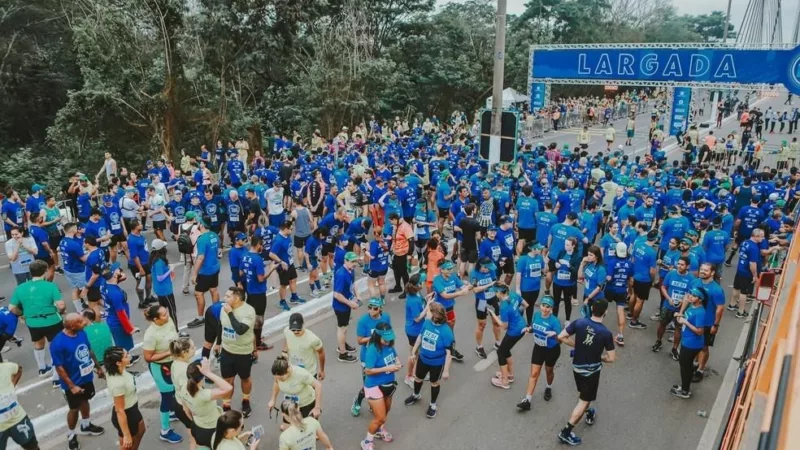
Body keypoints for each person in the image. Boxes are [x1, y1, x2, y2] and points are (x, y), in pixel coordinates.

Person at [556, 300, 616, 446]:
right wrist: (599, 357)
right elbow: (611, 358)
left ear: (592, 309)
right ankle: (566, 431)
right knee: (583, 400)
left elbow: (561, 336)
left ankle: (589, 412)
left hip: (577, 367)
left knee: (585, 394)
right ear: (605, 312)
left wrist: (577, 345)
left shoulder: (579, 323)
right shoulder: (606, 333)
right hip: (592, 371)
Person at [50, 313, 106, 450]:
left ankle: (86, 425)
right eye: (80, 322)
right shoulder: (57, 343)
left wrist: (98, 367)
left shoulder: (82, 333)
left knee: (85, 400)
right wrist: (72, 386)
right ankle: (71, 434)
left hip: (86, 378)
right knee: (74, 409)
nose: (84, 323)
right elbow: (59, 367)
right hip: (72, 383)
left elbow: (89, 350)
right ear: (71, 326)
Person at [9, 260, 65, 381]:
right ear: (45, 271)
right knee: (55, 346)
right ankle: (56, 377)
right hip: (52, 320)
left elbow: (12, 307)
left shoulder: (21, 288)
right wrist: (60, 311)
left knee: (38, 343)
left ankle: (42, 368)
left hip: (33, 322)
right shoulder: (50, 286)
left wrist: (22, 314)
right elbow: (60, 305)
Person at [142, 305, 183, 443]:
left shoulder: (168, 320)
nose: (168, 315)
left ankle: (171, 413)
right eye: (164, 315)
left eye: (167, 313)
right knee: (166, 395)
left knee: (175, 390)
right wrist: (168, 352)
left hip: (173, 363)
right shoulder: (150, 335)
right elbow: (148, 357)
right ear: (155, 319)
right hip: (160, 367)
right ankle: (164, 431)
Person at [404, 301, 452, 418]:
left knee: (434, 383)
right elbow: (420, 336)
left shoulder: (446, 331)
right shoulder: (426, 323)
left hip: (436, 362)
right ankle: (416, 395)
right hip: (423, 358)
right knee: (418, 378)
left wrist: (446, 370)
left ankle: (433, 405)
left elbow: (449, 352)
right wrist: (414, 352)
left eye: (428, 311)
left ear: (435, 314)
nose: (426, 313)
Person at [359, 322, 401, 450]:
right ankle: (367, 441)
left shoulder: (389, 345)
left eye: (390, 339)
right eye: (385, 339)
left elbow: (395, 356)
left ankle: (379, 430)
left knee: (386, 411)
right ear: (378, 336)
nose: (388, 341)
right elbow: (368, 370)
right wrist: (388, 368)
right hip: (373, 386)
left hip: (388, 384)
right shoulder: (372, 349)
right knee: (380, 417)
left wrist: (398, 363)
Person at [517, 295, 562, 411]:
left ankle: (548, 387)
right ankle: (527, 400)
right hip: (538, 348)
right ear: (540, 305)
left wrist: (555, 334)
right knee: (534, 373)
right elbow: (533, 327)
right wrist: (529, 329)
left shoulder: (555, 322)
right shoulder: (536, 315)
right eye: (543, 305)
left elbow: (561, 339)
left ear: (552, 308)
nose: (545, 309)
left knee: (549, 371)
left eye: (548, 307)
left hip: (552, 350)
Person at [219, 287, 256, 417]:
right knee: (227, 380)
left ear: (237, 298)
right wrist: (218, 344)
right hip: (227, 350)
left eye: (228, 296)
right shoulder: (224, 308)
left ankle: (246, 401)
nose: (225, 298)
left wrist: (230, 313)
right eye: (225, 295)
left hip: (243, 352)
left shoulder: (249, 311)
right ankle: (226, 405)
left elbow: (240, 330)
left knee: (245, 378)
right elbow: (222, 326)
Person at [352, 297, 392, 417]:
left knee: (380, 382)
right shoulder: (363, 321)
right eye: (369, 307)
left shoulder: (386, 317)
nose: (371, 310)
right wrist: (374, 337)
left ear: (380, 309)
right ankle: (358, 401)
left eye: (375, 308)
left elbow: (388, 333)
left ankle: (374, 402)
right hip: (367, 357)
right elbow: (359, 341)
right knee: (369, 383)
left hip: (382, 355)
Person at [181, 358, 233, 449]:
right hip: (211, 430)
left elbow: (186, 410)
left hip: (197, 428)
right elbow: (228, 388)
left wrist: (195, 421)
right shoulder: (203, 395)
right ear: (202, 377)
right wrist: (208, 373)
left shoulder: (183, 388)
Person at [105, 347, 147, 450]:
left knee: (141, 430)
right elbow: (120, 410)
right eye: (126, 356)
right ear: (118, 363)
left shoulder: (117, 371)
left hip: (133, 409)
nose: (129, 356)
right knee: (127, 445)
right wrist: (126, 435)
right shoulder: (118, 384)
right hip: (126, 414)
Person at [488, 284, 529, 389]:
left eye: (495, 292)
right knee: (506, 350)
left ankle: (504, 381)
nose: (495, 294)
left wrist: (493, 314)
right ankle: (509, 375)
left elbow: (504, 326)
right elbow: (525, 305)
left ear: (499, 293)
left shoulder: (504, 306)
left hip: (514, 331)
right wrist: (516, 314)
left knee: (500, 352)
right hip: (522, 326)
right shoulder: (513, 295)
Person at [267, 355, 323, 430]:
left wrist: (317, 408)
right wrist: (273, 399)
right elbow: (276, 383)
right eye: (277, 378)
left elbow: (318, 385)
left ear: (288, 370)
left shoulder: (300, 374)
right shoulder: (278, 375)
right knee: (288, 428)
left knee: (308, 430)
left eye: (281, 378)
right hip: (291, 404)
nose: (279, 380)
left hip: (306, 403)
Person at [670, 287, 706, 399]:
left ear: (700, 299)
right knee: (685, 365)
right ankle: (685, 386)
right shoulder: (691, 306)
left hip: (692, 344)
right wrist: (680, 316)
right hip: (687, 341)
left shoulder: (700, 312)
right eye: (690, 294)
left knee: (685, 366)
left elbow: (700, 331)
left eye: (694, 295)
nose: (690, 296)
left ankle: (685, 390)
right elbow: (686, 319)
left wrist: (685, 322)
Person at [102, 263, 141, 365]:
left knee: (121, 342)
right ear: (114, 275)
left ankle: (126, 357)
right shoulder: (116, 294)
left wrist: (119, 276)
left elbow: (122, 277)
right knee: (123, 344)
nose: (120, 271)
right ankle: (126, 361)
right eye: (117, 270)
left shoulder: (105, 284)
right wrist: (130, 328)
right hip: (118, 322)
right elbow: (121, 314)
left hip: (111, 318)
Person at [432, 261, 471, 362]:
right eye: (448, 269)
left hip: (449, 308)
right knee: (437, 330)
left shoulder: (453, 277)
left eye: (452, 268)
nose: (451, 271)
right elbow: (444, 295)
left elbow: (463, 287)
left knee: (450, 329)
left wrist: (470, 286)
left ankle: (451, 350)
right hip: (438, 310)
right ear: (442, 270)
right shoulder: (437, 280)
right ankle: (437, 351)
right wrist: (461, 293)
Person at [0, 360, 40, 450]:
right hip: (17, 419)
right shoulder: (7, 366)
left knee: (32, 447)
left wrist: (13, 383)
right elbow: (19, 369)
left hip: (18, 419)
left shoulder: (7, 367)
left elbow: (19, 369)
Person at [191, 216, 221, 328]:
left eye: (198, 223)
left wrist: (194, 274)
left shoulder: (202, 239)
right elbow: (218, 250)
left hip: (205, 271)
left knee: (198, 294)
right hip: (215, 268)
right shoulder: (214, 235)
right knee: (214, 290)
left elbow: (200, 258)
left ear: (202, 225)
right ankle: (217, 313)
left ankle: (200, 318)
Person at [332, 251, 362, 363]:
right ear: (346, 261)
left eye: (355, 261)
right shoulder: (341, 274)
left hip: (346, 304)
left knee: (344, 327)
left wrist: (357, 295)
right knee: (342, 328)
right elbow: (337, 294)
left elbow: (353, 284)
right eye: (352, 261)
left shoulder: (351, 270)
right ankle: (342, 353)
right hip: (341, 306)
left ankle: (342, 344)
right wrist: (350, 303)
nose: (354, 264)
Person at [282, 313, 326, 380]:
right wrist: (284, 351)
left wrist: (322, 370)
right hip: (293, 372)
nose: (296, 332)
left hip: (309, 374)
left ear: (303, 324)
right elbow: (287, 339)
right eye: (293, 330)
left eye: (298, 329)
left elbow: (321, 353)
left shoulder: (313, 339)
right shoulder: (287, 331)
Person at [470, 257, 499, 359]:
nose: (488, 270)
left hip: (493, 299)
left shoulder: (491, 270)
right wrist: (489, 285)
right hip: (481, 301)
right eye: (486, 268)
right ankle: (479, 347)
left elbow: (495, 282)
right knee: (482, 325)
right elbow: (475, 290)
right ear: (481, 266)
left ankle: (498, 343)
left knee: (496, 322)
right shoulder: (474, 273)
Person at [150, 238, 179, 330]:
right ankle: (175, 329)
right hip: (165, 290)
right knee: (172, 310)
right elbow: (160, 277)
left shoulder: (154, 259)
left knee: (163, 310)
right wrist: (170, 270)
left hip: (159, 290)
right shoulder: (159, 262)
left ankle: (165, 327)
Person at [126, 219, 154, 309]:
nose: (142, 225)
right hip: (137, 264)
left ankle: (149, 297)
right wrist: (141, 269)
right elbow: (134, 256)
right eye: (140, 224)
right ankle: (141, 302)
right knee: (141, 282)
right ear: (135, 227)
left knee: (149, 279)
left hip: (146, 261)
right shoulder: (132, 240)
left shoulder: (139, 235)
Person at [516, 242, 544, 324]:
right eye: (539, 248)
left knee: (531, 305)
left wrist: (545, 260)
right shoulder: (523, 259)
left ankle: (529, 322)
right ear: (532, 249)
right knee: (523, 305)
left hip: (536, 287)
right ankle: (518, 323)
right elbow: (518, 274)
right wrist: (518, 289)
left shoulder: (540, 257)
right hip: (525, 288)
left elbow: (544, 270)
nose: (540, 250)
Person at [388, 213, 413, 298]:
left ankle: (407, 290)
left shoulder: (406, 227)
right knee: (395, 270)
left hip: (403, 253)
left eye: (391, 221)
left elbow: (411, 241)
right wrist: (392, 248)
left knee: (404, 272)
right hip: (396, 252)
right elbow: (394, 238)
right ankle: (398, 286)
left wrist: (409, 254)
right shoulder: (396, 225)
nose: (391, 223)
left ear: (395, 219)